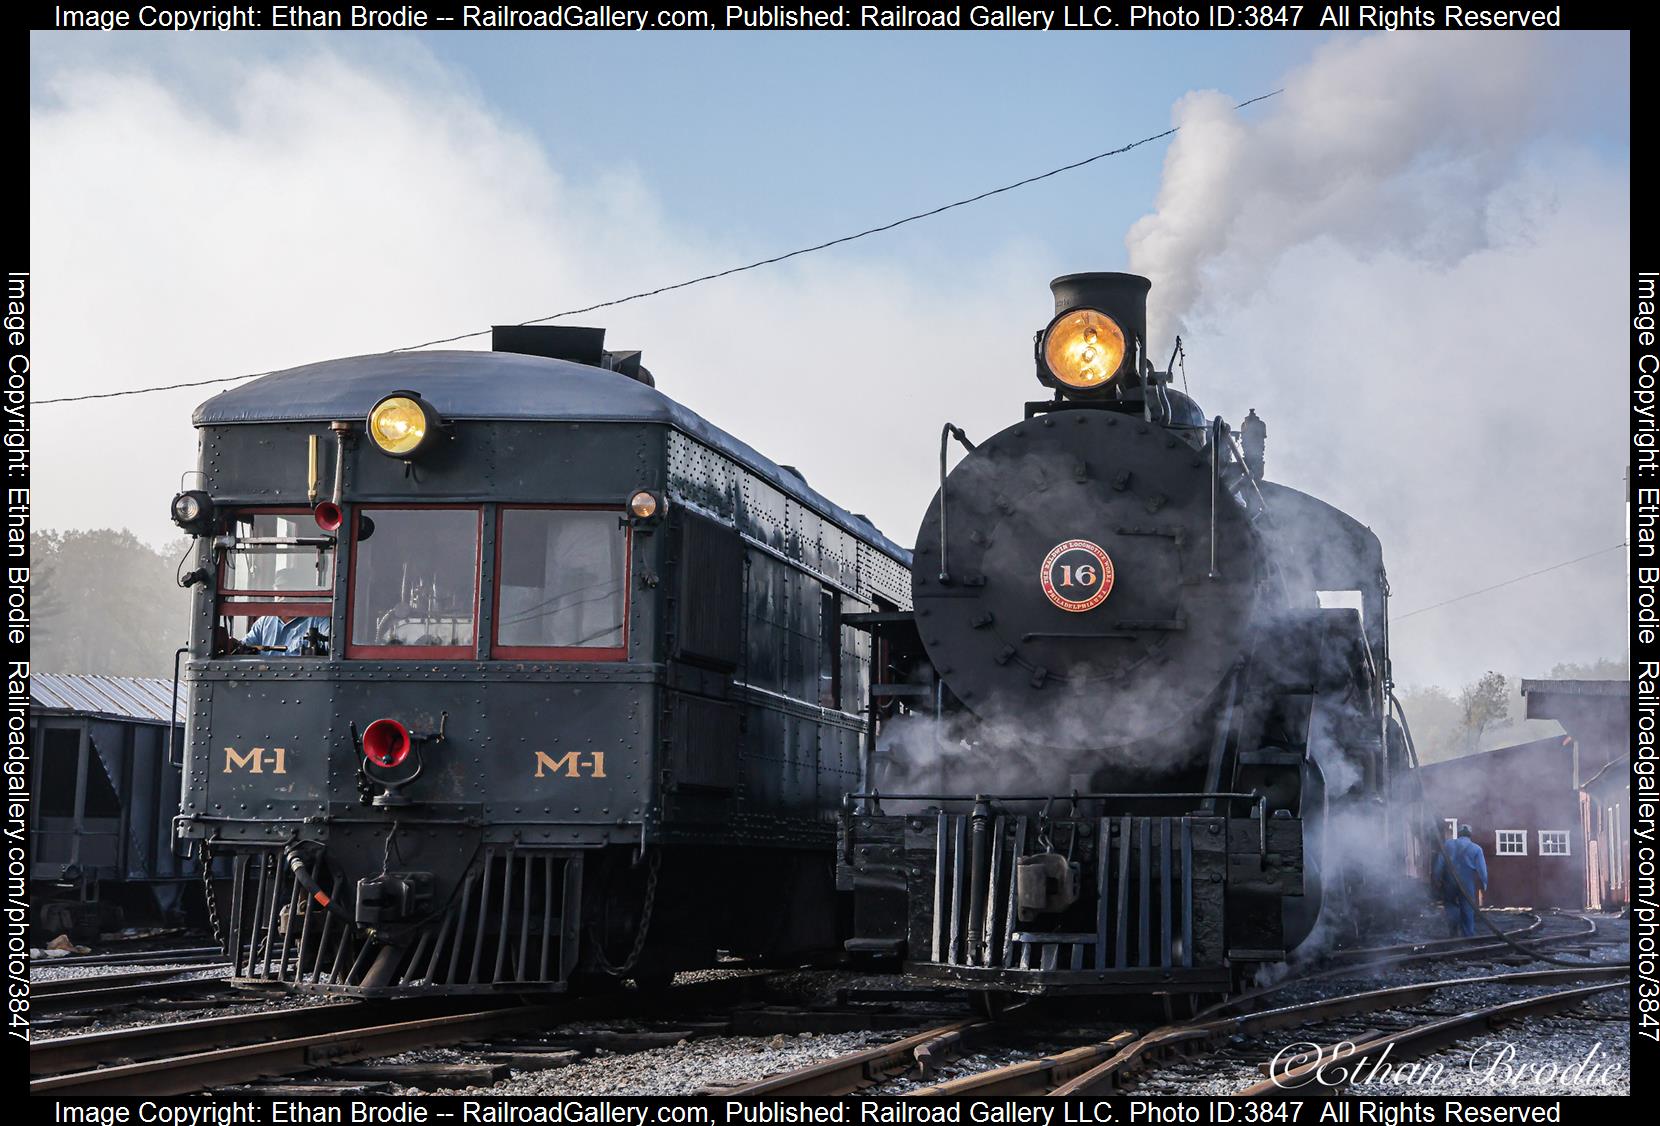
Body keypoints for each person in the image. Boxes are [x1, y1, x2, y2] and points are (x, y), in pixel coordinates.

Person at [240, 567, 330, 656]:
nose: (284, 598)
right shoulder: (264, 622)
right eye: (279, 591)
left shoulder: (319, 620)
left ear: (301, 593)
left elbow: (332, 646)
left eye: (289, 591)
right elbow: (245, 646)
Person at [1432, 824, 1489, 938]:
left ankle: (1453, 933)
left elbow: (1440, 863)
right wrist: (1484, 883)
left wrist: (1436, 878)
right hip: (1467, 880)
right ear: (1470, 835)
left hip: (1449, 879)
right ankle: (1468, 936)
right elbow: (1482, 869)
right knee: (1467, 907)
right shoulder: (1476, 848)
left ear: (1458, 834)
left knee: (1450, 905)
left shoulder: (1448, 844)